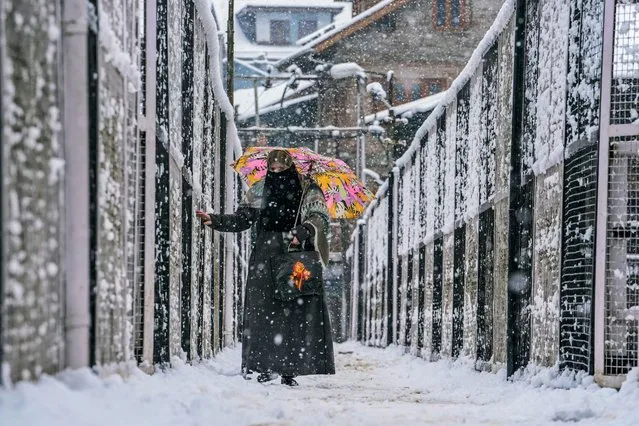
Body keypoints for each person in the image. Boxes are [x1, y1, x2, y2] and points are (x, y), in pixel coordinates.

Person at [196, 149, 335, 386]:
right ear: (267, 168)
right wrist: (215, 220)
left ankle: (289, 369)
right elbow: (243, 219)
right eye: (273, 169)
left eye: (282, 169)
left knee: (294, 311)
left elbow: (319, 217)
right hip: (265, 254)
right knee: (263, 311)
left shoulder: (308, 189)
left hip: (295, 253)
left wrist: (304, 230)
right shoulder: (259, 189)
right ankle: (264, 366)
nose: (277, 172)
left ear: (291, 167)